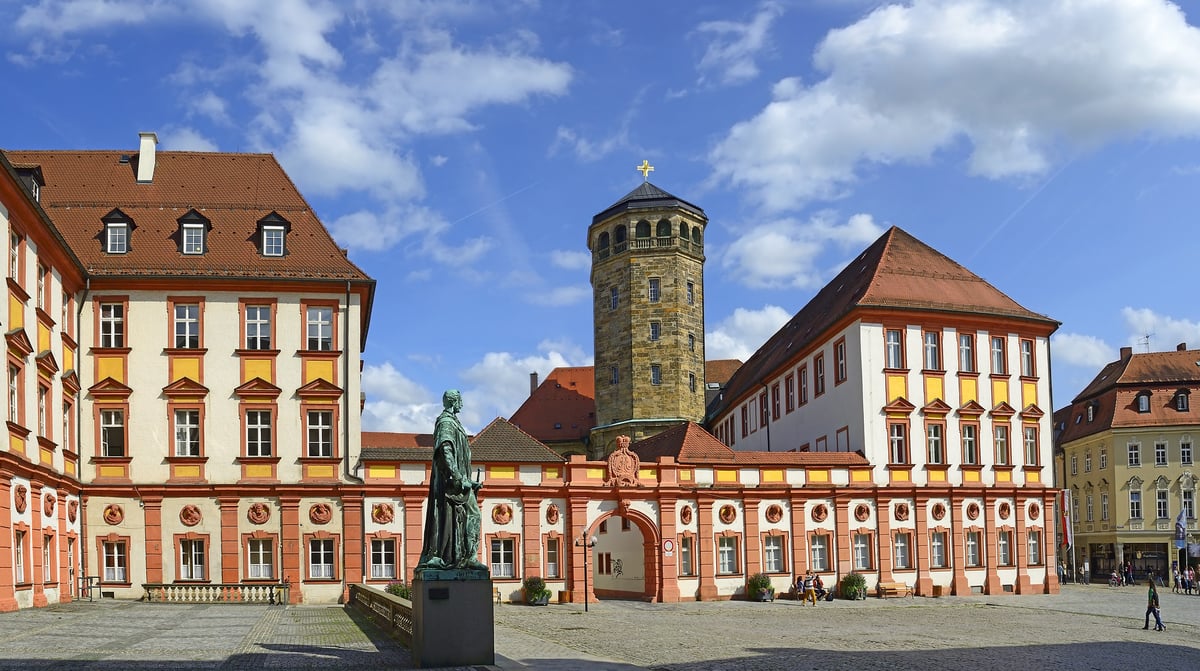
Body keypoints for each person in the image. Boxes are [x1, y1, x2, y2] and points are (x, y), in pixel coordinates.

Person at [416, 390, 488, 573]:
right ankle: (466, 557)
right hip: (450, 484)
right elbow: (446, 449)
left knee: (466, 517)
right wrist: (457, 478)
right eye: (460, 400)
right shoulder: (446, 422)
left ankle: (466, 556)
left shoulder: (454, 422)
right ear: (453, 401)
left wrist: (469, 481)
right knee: (471, 515)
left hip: (459, 481)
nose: (462, 404)